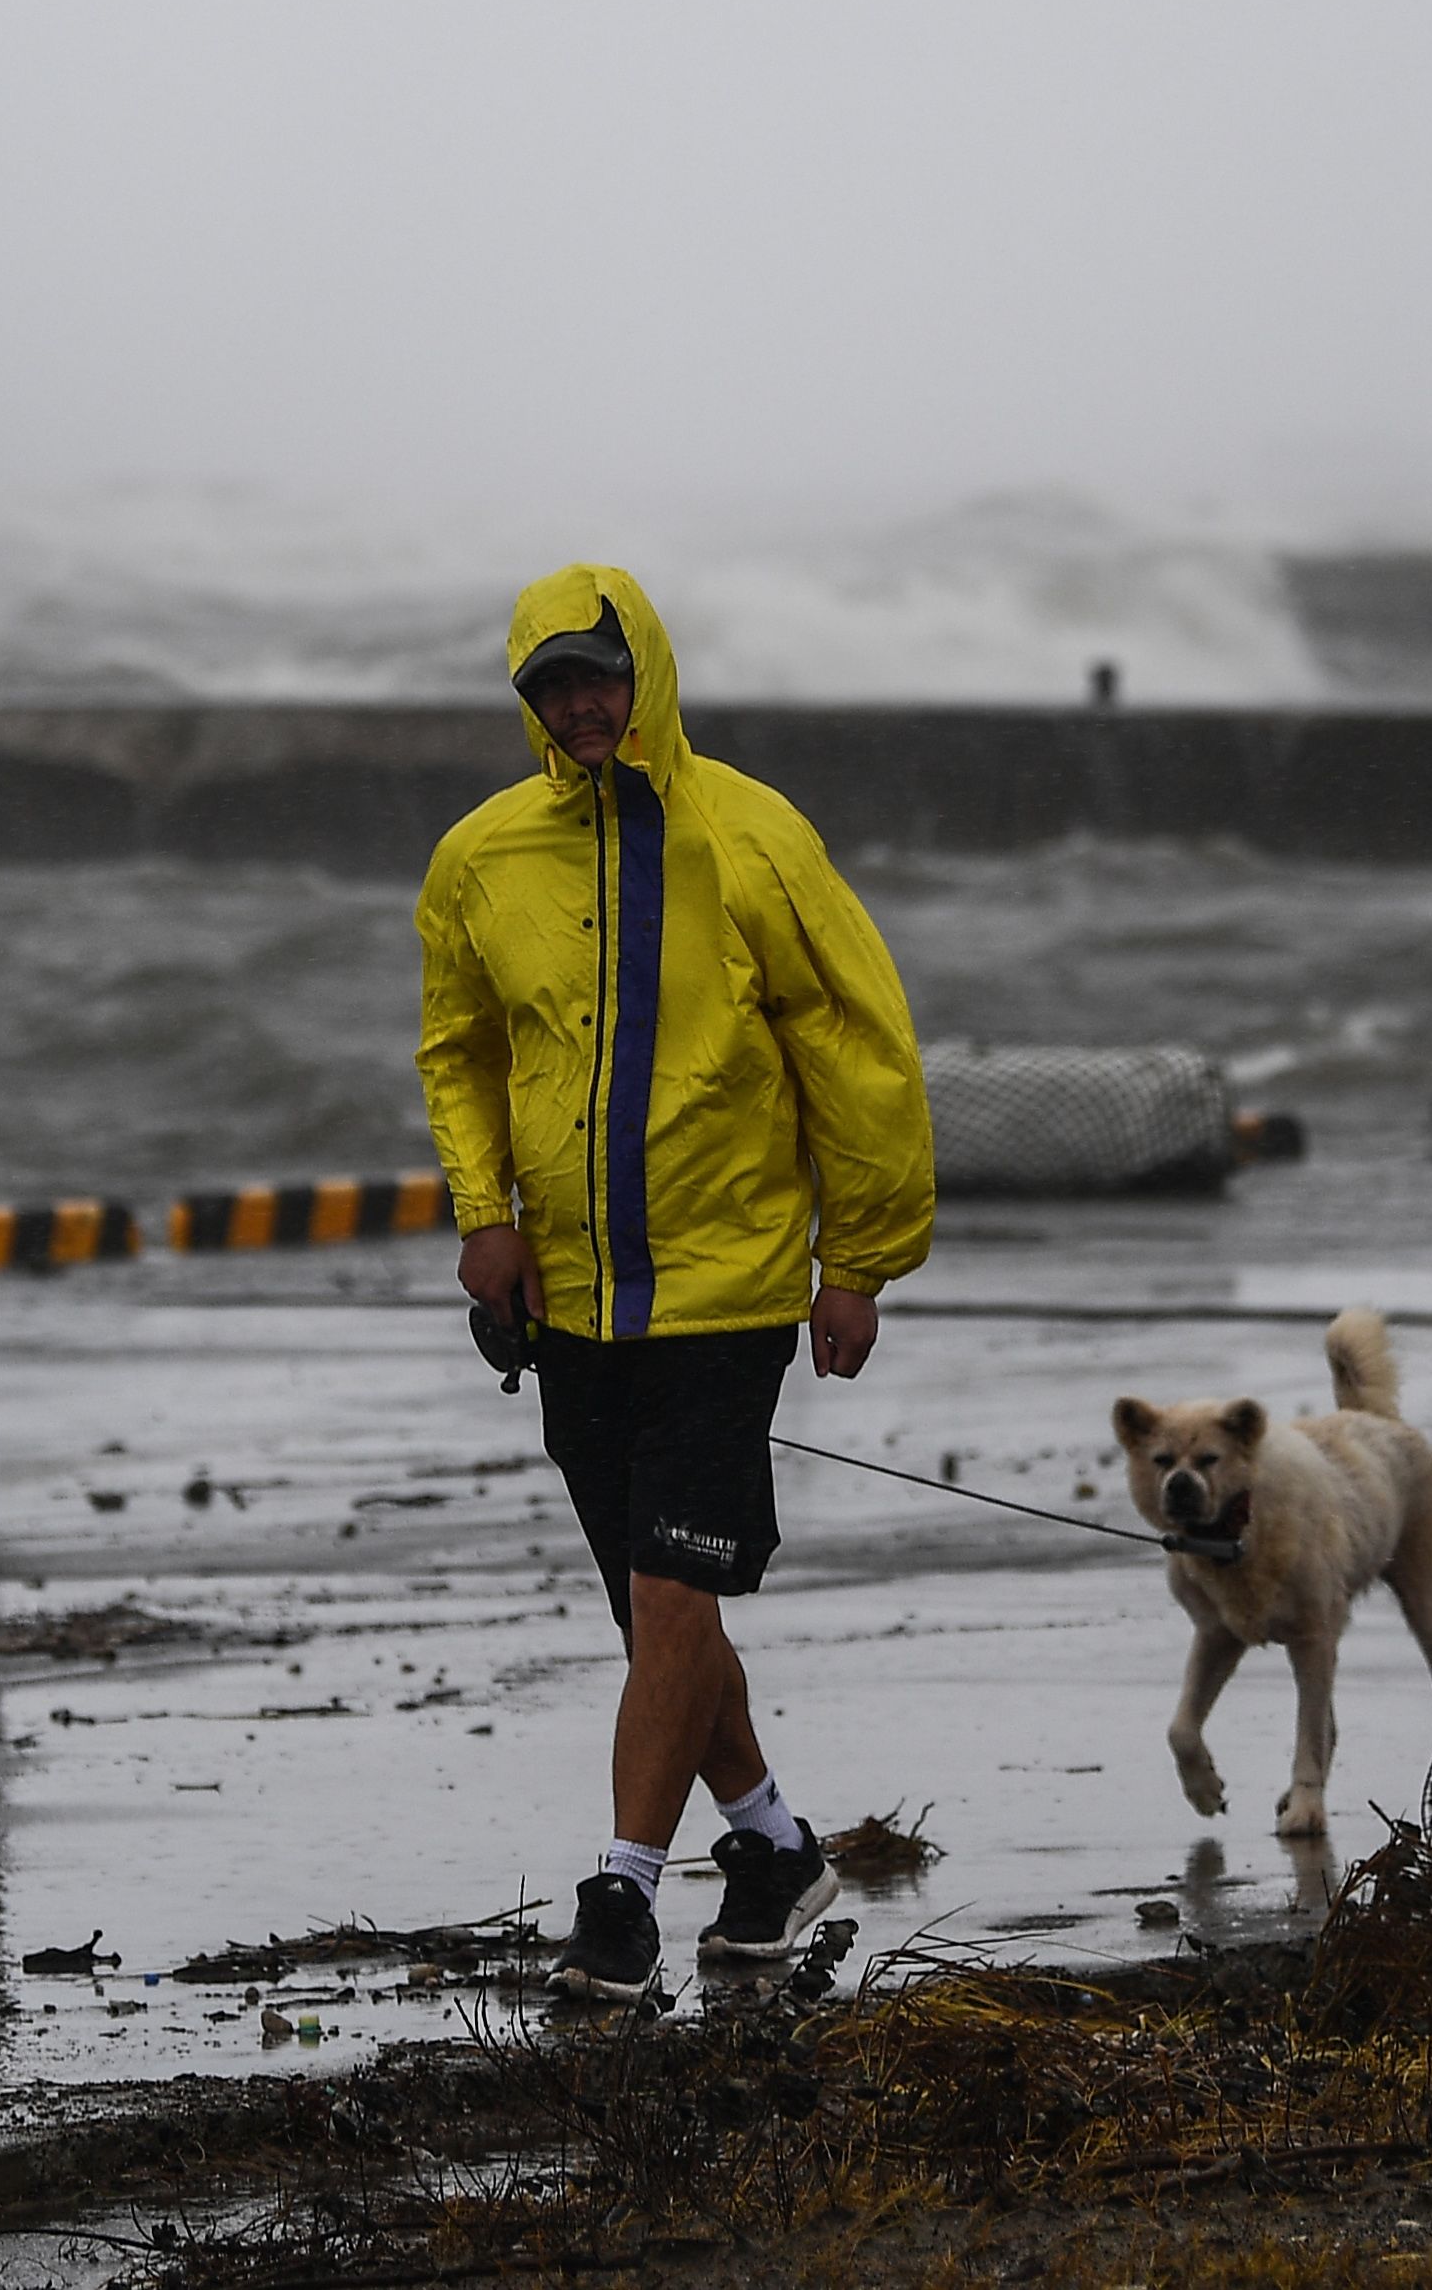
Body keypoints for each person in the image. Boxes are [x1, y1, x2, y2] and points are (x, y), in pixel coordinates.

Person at [418, 563, 936, 2006]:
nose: (578, 703)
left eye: (599, 674)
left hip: (727, 1288)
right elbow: (455, 1048)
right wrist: (482, 1217)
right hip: (571, 1300)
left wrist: (859, 1261)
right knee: (661, 1613)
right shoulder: (478, 856)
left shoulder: (753, 836)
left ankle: (621, 1895)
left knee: (670, 1588)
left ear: (645, 669)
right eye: (550, 684)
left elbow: (858, 1047)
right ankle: (770, 1845)